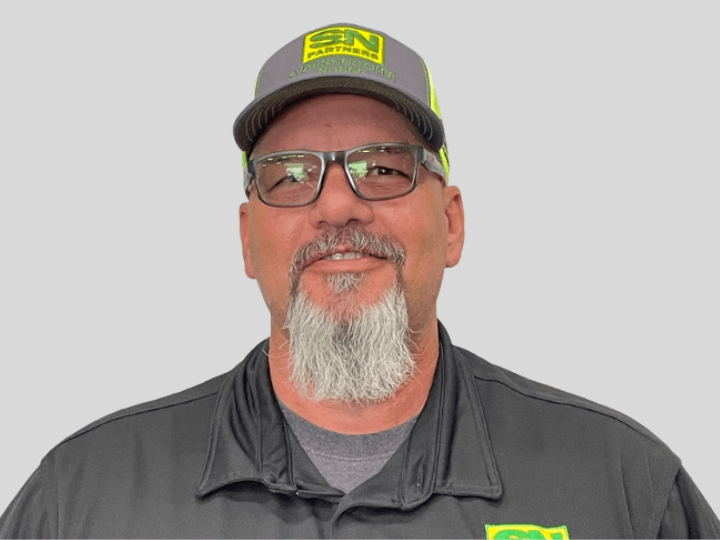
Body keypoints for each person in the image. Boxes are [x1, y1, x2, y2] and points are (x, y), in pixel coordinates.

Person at [1, 22, 718, 539]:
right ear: (247, 238)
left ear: (452, 222)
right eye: (290, 176)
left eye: (382, 168)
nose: (338, 206)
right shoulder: (82, 501)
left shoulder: (622, 491)